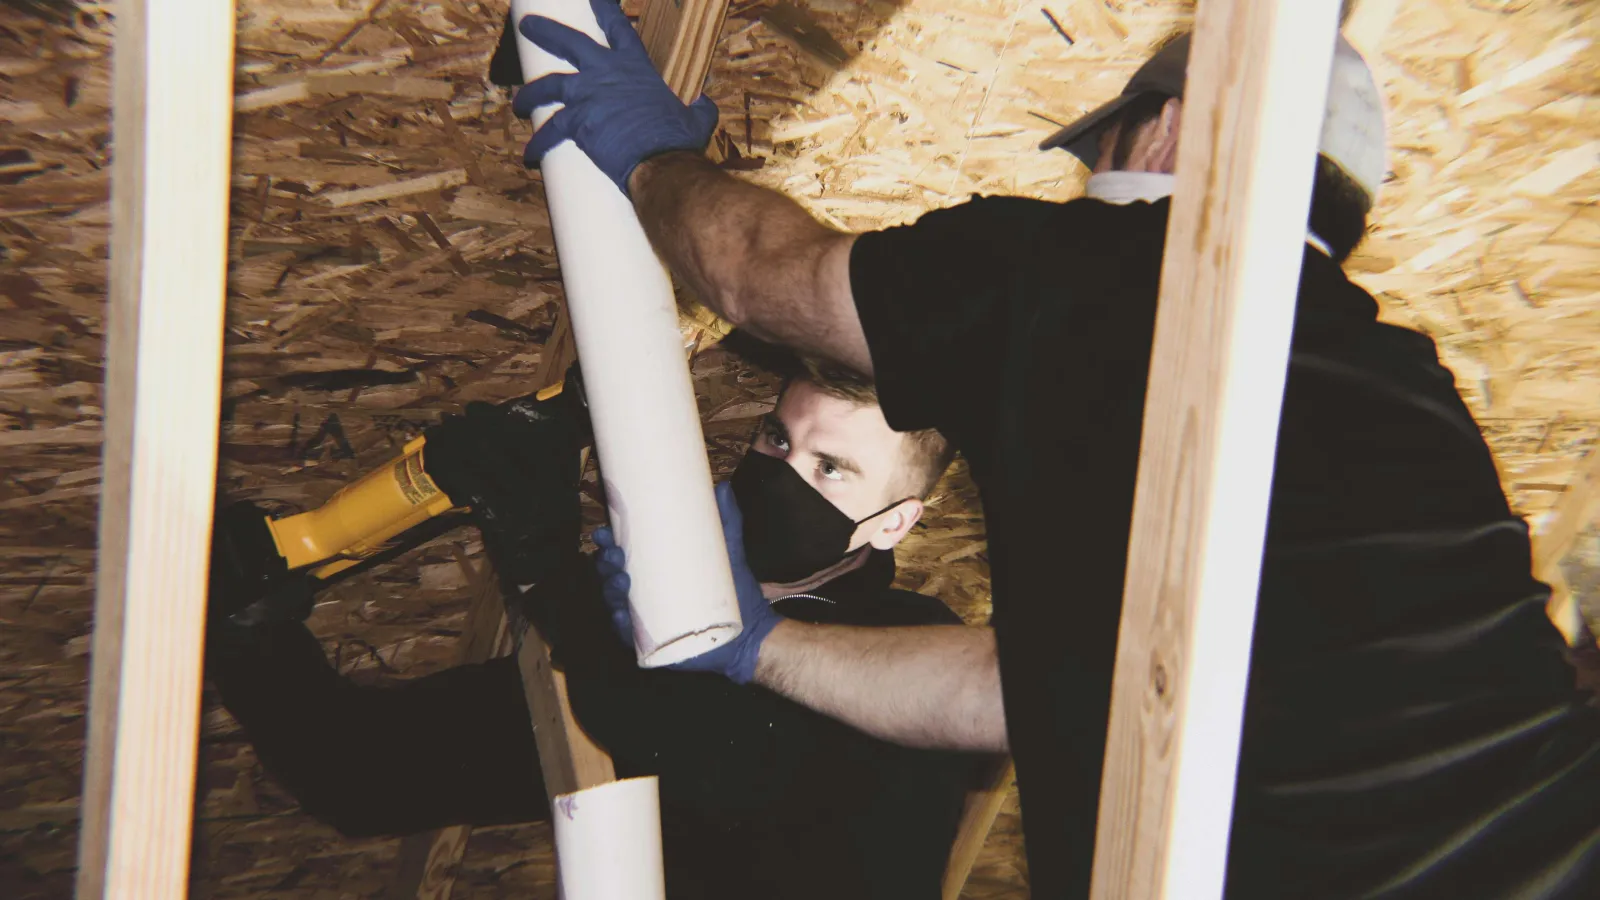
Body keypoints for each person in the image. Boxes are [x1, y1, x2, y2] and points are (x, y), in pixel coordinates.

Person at [511, 3, 1600, 897]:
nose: (1091, 184)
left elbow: (761, 275)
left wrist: (648, 155)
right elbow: (1023, 687)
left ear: (1166, 130)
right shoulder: (1417, 395)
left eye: (1108, 149)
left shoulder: (1081, 267)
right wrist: (762, 650)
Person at [205, 363, 983, 900]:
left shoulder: (911, 658)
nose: (783, 471)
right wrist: (249, 628)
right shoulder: (645, 623)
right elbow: (362, 774)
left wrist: (550, 571)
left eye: (832, 468)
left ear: (897, 524)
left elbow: (718, 755)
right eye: (778, 439)